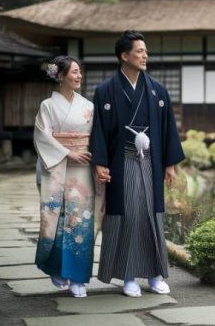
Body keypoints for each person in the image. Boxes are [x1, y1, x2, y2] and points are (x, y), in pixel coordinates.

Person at [90, 30, 185, 297]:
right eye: (140, 51)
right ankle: (129, 276)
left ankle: (155, 275)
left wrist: (169, 164)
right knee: (129, 216)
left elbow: (168, 129)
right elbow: (99, 130)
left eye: (146, 51)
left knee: (153, 217)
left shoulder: (157, 90)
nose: (145, 55)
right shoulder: (105, 91)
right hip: (123, 162)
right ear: (124, 55)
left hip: (152, 163)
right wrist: (100, 163)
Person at [33, 55, 96, 298]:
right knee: (57, 219)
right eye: (74, 72)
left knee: (81, 220)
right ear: (60, 76)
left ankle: (79, 278)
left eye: (80, 72)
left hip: (82, 169)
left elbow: (95, 137)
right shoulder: (48, 106)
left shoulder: (88, 107)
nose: (79, 76)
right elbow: (42, 136)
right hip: (57, 167)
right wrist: (68, 152)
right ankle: (56, 268)